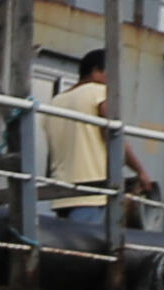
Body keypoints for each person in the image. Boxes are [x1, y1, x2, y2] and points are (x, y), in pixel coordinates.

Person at [36, 48, 149, 248]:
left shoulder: (55, 102)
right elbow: (114, 137)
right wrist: (140, 171)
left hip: (61, 194)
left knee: (66, 246)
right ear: (97, 71)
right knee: (86, 250)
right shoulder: (99, 92)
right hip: (92, 191)